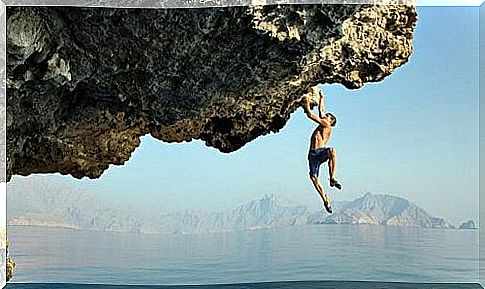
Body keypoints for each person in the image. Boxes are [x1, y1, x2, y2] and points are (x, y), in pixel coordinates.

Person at [301, 87, 342, 214]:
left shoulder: (326, 125)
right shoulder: (323, 124)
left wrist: (306, 103)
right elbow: (321, 110)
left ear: (331, 121)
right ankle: (326, 201)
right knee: (313, 178)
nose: (325, 115)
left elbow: (311, 115)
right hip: (312, 155)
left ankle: (332, 177)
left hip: (320, 151)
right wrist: (322, 97)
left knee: (332, 151)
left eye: (328, 116)